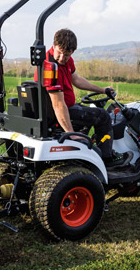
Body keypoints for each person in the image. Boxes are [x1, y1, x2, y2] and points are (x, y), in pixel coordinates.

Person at [41, 29, 128, 168]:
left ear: (72, 52)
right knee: (103, 116)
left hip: (69, 107)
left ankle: (84, 156)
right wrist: (70, 133)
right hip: (62, 111)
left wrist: (102, 90)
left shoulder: (67, 62)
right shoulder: (50, 67)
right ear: (54, 46)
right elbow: (58, 105)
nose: (62, 58)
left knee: (89, 112)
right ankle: (107, 158)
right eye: (60, 53)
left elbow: (77, 80)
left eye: (67, 55)